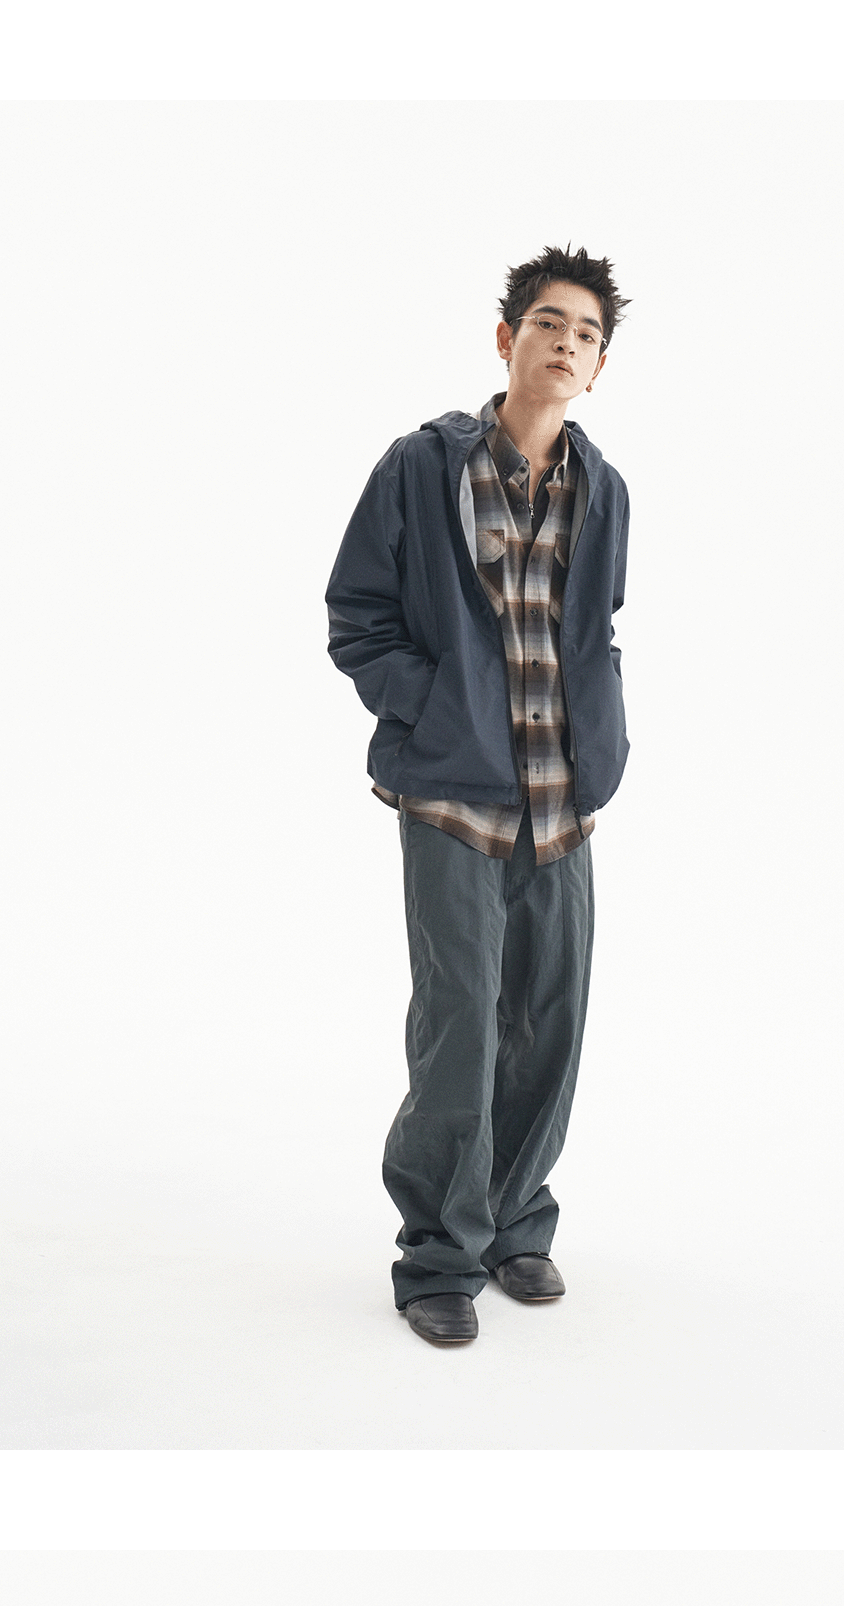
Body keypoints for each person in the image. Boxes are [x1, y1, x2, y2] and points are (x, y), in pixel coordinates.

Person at [325, 247, 630, 1346]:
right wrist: (436, 711)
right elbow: (358, 616)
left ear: (599, 365)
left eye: (587, 334)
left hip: (562, 802)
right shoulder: (421, 466)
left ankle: (514, 1223)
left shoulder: (604, 488)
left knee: (549, 1023)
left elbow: (595, 630)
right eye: (548, 323)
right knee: (459, 1026)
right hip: (454, 799)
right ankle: (438, 1255)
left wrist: (604, 744)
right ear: (507, 339)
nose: (566, 344)